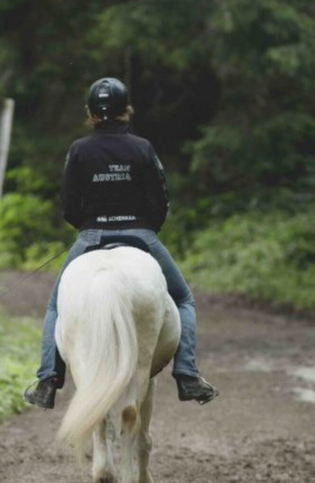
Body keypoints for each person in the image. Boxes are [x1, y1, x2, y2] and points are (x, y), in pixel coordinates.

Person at [23, 77, 219, 409]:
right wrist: (145, 229)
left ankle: (48, 380)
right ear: (126, 109)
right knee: (184, 300)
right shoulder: (142, 148)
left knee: (56, 307)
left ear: (90, 113)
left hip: (91, 237)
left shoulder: (79, 150)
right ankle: (187, 374)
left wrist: (88, 226)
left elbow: (69, 204)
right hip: (141, 235)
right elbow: (160, 200)